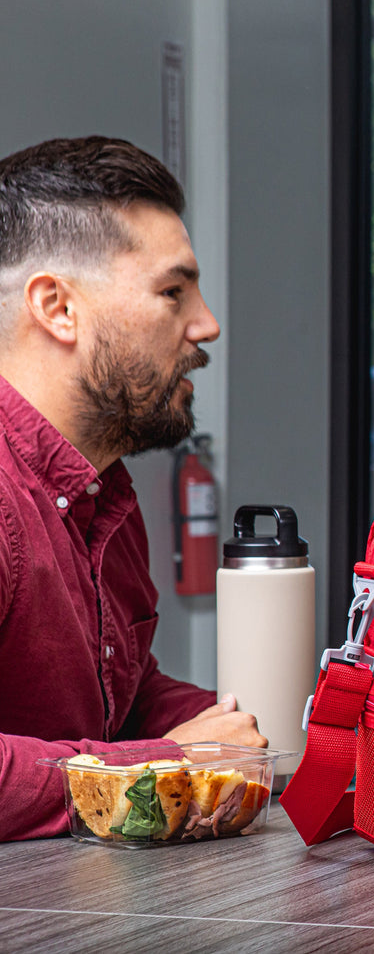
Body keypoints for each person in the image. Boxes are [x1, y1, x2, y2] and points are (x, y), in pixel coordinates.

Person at [0, 136, 266, 840]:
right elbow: (148, 745)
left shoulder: (103, 489)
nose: (206, 324)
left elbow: (123, 696)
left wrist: (269, 729)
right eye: (172, 292)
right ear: (57, 307)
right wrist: (167, 763)